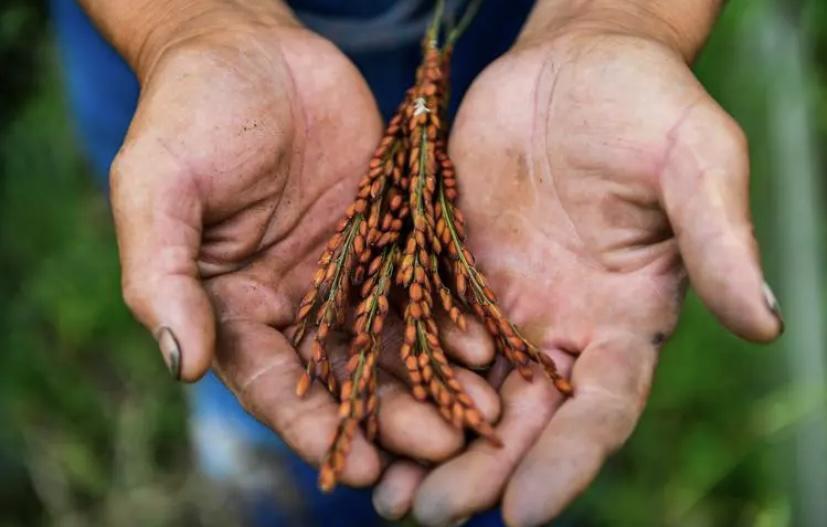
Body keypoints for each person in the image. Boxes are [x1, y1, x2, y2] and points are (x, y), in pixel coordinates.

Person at [54, 1, 783, 526]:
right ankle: (271, 484)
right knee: (251, 326)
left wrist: (619, 18)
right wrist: (189, 25)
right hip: (201, 58)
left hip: (531, 35)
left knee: (498, 440)